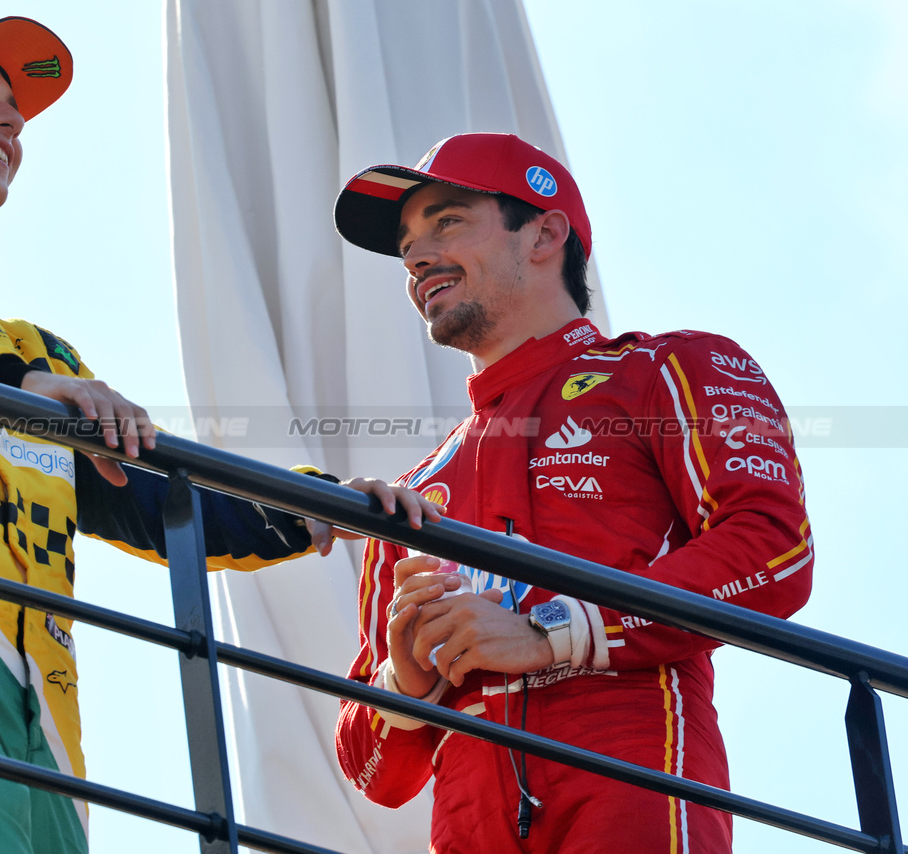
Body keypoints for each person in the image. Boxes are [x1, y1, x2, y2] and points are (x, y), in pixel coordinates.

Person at [0, 14, 437, 854]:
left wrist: (320, 504)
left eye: (14, 105)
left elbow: (158, 499)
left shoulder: (37, 350)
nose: (11, 120)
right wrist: (14, 390)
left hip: (43, 720)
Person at [330, 133, 813, 853]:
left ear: (545, 233)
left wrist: (546, 631)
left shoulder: (670, 368)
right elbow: (375, 774)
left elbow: (774, 551)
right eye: (406, 245)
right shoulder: (409, 496)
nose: (417, 256)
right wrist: (406, 679)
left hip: (631, 786)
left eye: (448, 221)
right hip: (468, 823)